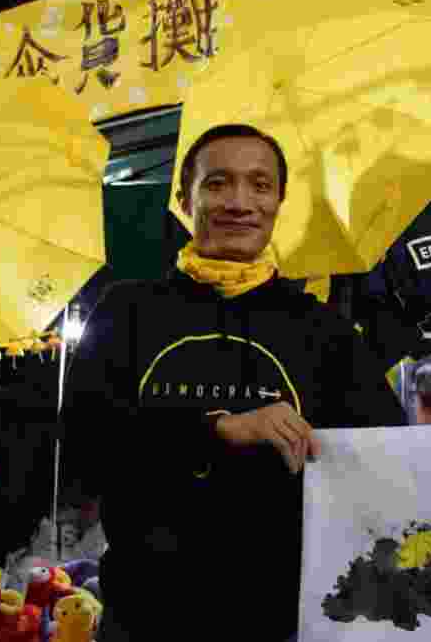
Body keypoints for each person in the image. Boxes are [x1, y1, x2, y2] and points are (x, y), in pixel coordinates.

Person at [61, 124, 411, 642]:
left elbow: (393, 454)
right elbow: (83, 445)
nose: (240, 202)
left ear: (279, 202)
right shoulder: (126, 310)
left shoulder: (323, 330)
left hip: (283, 622)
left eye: (260, 185)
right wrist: (219, 429)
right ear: (185, 200)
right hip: (144, 618)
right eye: (217, 183)